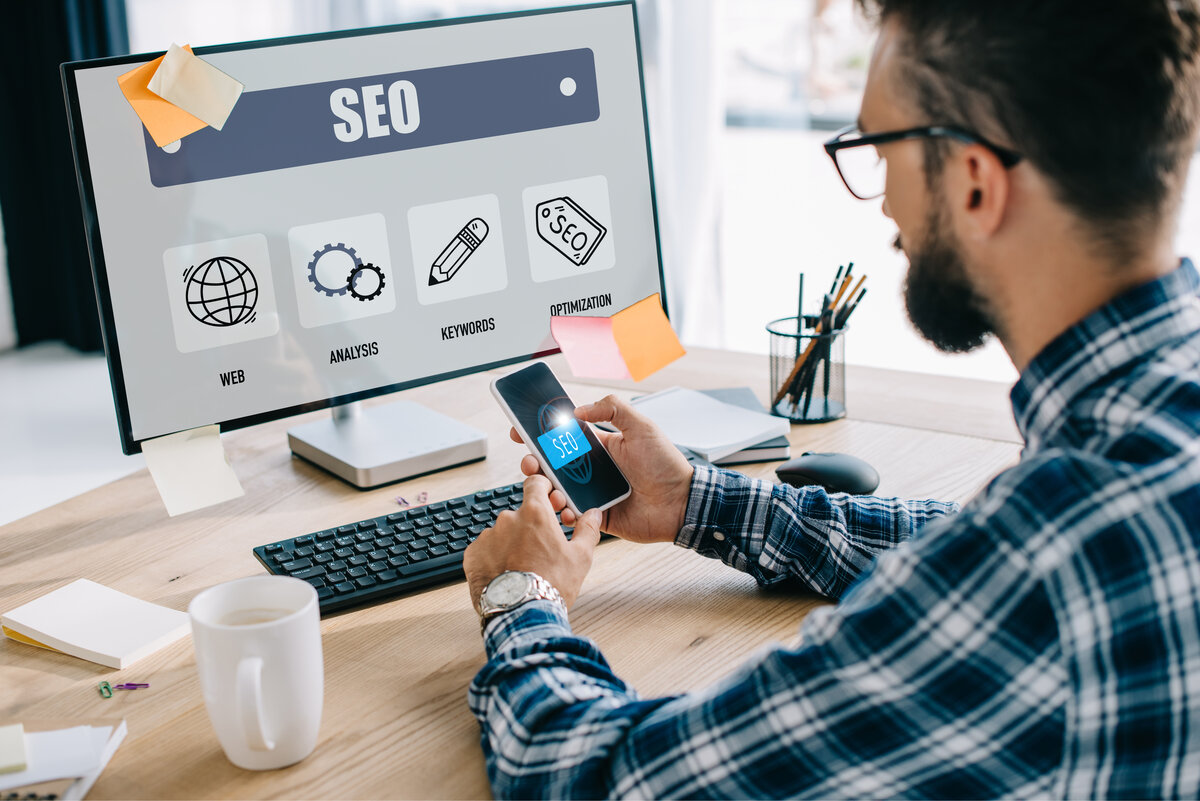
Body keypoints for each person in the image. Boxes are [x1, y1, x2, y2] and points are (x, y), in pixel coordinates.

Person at [463, 0, 1200, 797]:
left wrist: (522, 597)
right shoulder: (1149, 429)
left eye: (880, 151)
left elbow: (604, 777)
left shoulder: (1054, 556)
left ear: (975, 183)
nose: (883, 204)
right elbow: (965, 548)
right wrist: (696, 501)